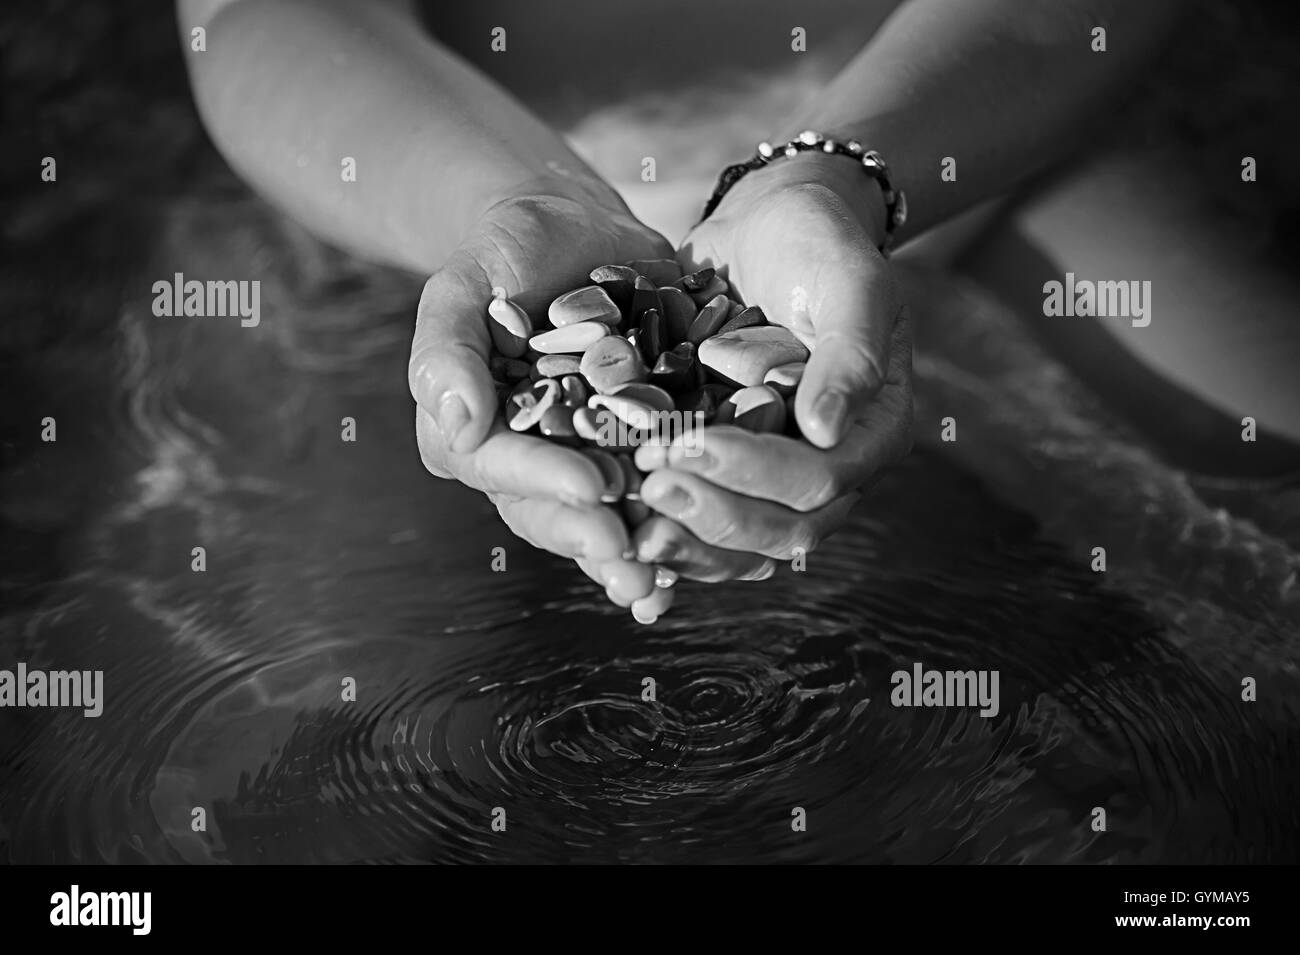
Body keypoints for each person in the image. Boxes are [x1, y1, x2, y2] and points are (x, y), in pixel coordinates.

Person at [178, 0, 1182, 623]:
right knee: (327, 711)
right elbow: (255, 17)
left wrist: (839, 181)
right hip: (419, 184)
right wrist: (516, 206)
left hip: (958, 134)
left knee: (1245, 474)